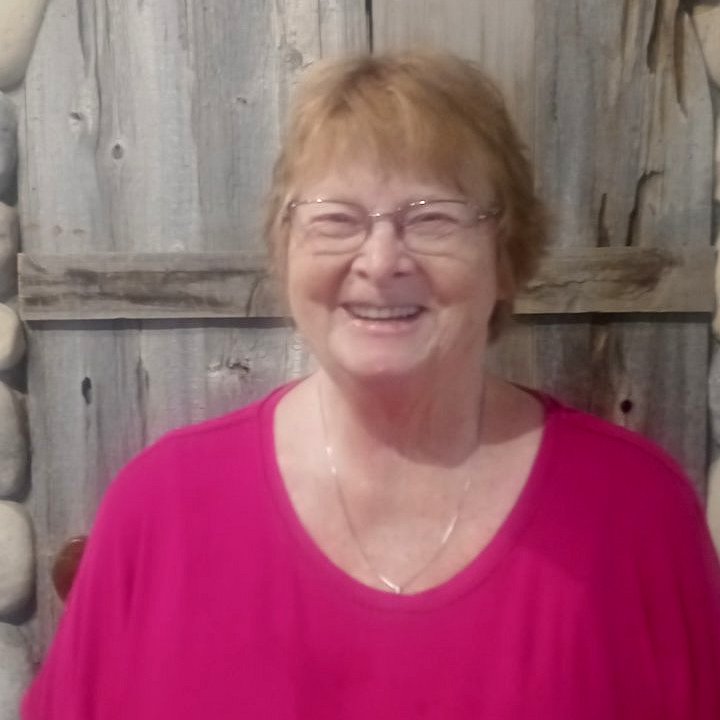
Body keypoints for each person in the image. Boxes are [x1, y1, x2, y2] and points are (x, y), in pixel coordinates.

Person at [23, 52, 720, 719]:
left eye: (433, 218)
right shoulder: (162, 512)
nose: (381, 261)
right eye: (336, 219)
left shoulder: (634, 515)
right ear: (285, 250)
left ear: (506, 258)